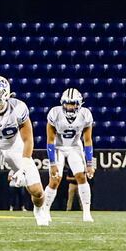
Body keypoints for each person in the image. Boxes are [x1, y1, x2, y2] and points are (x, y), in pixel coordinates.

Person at [0, 75, 49, 227]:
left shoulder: (18, 108)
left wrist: (23, 168)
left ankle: (39, 210)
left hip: (15, 146)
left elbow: (28, 140)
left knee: (37, 192)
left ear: (4, 94)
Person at [41, 87, 96, 223]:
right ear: (62, 103)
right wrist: (53, 163)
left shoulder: (85, 115)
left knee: (81, 177)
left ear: (79, 104)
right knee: (55, 180)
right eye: (67, 103)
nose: (70, 107)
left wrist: (89, 163)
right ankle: (45, 210)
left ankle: (87, 212)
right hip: (58, 147)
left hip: (74, 147)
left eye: (73, 104)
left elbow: (88, 140)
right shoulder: (55, 113)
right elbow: (50, 141)